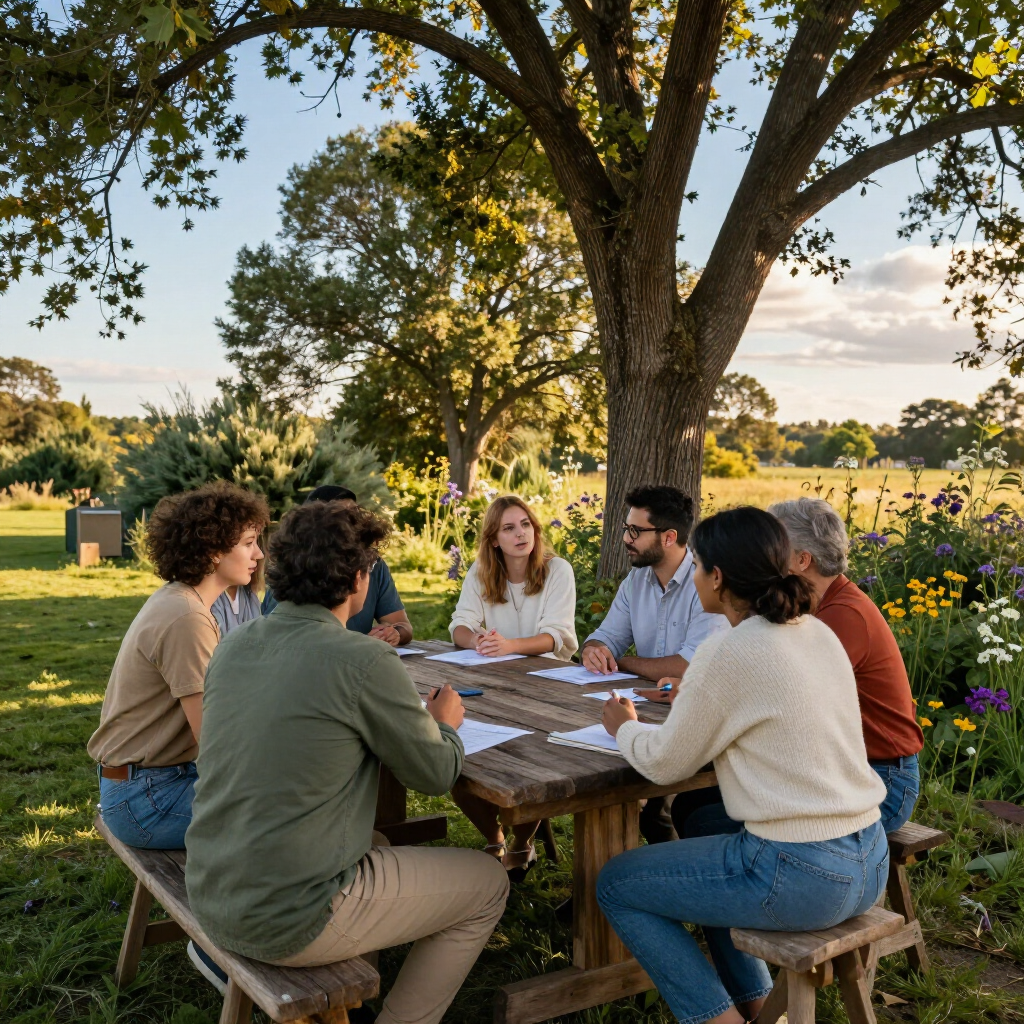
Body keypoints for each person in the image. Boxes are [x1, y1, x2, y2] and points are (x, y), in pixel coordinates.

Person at [185, 501, 508, 1024]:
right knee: (489, 884)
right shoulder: (363, 659)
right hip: (289, 916)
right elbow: (434, 774)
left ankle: (354, 1002)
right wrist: (445, 723)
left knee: (377, 841)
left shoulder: (234, 644)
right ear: (359, 579)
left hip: (212, 887)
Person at [596, 507, 889, 1024]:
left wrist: (624, 727)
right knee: (705, 837)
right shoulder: (816, 631)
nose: (692, 576)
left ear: (717, 577)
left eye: (697, 565)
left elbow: (663, 764)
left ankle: (719, 1019)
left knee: (616, 884)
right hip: (869, 858)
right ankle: (758, 1006)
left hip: (801, 874)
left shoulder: (726, 651)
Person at [88, 481, 269, 991]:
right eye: (248, 542)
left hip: (149, 780)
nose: (259, 554)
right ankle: (216, 947)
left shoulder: (183, 602)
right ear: (213, 551)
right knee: (283, 820)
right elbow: (217, 743)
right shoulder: (188, 619)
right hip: (145, 797)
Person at [580, 484, 728, 842]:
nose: (626, 539)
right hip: (646, 710)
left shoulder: (706, 582)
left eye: (636, 531)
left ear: (669, 537)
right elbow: (607, 636)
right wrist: (595, 649)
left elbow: (687, 666)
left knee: (656, 806)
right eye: (626, 528)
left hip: (695, 719)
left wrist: (624, 661)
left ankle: (644, 863)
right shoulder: (636, 580)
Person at [770, 497, 924, 833]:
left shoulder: (843, 615)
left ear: (801, 560)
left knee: (715, 815)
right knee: (703, 806)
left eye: (772, 548)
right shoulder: (821, 603)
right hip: (850, 771)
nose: (764, 557)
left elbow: (789, 701)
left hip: (881, 782)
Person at [449, 494, 577, 877]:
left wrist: (509, 646)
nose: (521, 534)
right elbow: (459, 625)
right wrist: (478, 640)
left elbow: (556, 637)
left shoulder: (557, 570)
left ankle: (523, 843)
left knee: (531, 763)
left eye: (526, 525)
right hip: (496, 685)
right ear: (494, 539)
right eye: (509, 528)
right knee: (455, 758)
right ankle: (494, 838)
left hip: (548, 688)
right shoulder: (481, 572)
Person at [262, 484, 414, 647]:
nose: (353, 523)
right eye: (342, 517)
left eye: (355, 515)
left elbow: (402, 624)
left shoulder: (374, 565)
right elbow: (274, 630)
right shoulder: (295, 566)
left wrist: (395, 632)